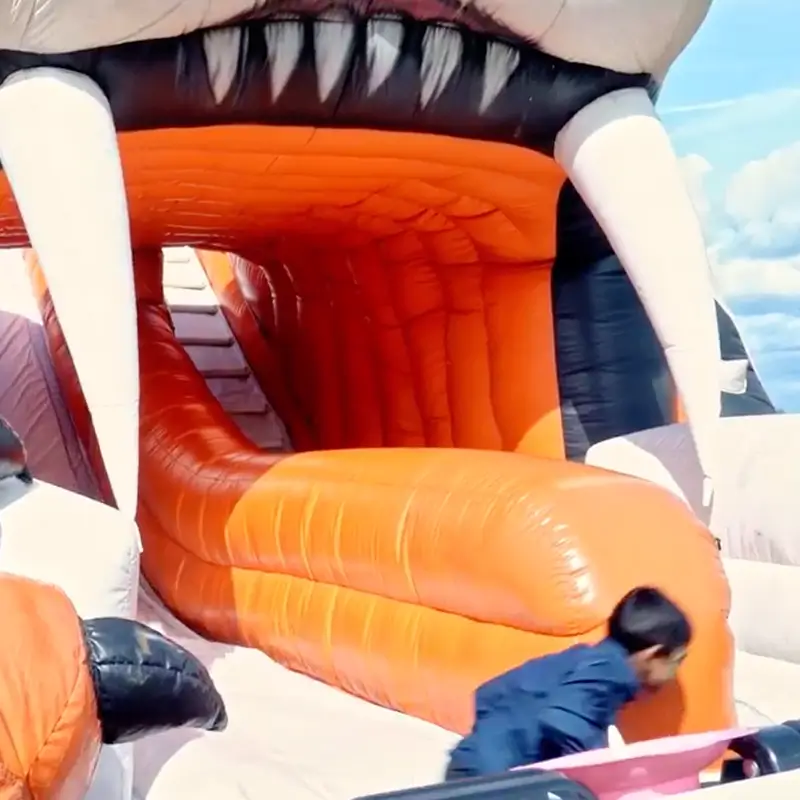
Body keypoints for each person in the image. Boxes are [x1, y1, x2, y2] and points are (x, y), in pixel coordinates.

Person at [444, 586, 692, 780]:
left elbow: (489, 695)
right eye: (677, 661)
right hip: (493, 782)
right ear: (652, 655)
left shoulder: (583, 661)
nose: (675, 673)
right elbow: (563, 721)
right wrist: (590, 774)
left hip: (474, 766)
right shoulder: (613, 671)